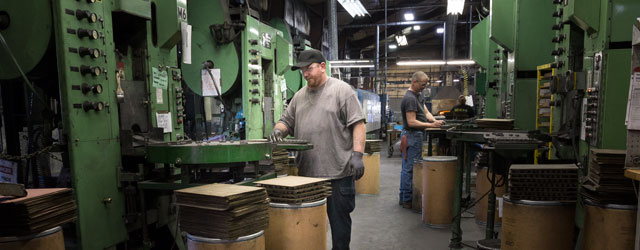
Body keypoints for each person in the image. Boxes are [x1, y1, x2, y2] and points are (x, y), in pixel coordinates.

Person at [268, 49, 366, 250]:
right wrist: (278, 131)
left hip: (337, 174)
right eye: (302, 70)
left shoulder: (342, 91)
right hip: (307, 176)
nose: (305, 74)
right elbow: (287, 120)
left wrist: (357, 154)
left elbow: (358, 124)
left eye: (309, 69)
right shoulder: (299, 96)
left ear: (322, 67)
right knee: (307, 224)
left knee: (339, 225)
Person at [399, 71, 444, 209]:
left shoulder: (418, 95)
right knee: (409, 168)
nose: (424, 87)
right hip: (412, 135)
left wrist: (435, 121)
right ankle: (407, 199)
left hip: (415, 136)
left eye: (426, 84)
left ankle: (404, 198)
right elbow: (411, 122)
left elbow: (425, 111)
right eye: (423, 85)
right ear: (414, 82)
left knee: (408, 167)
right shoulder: (410, 98)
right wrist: (430, 125)